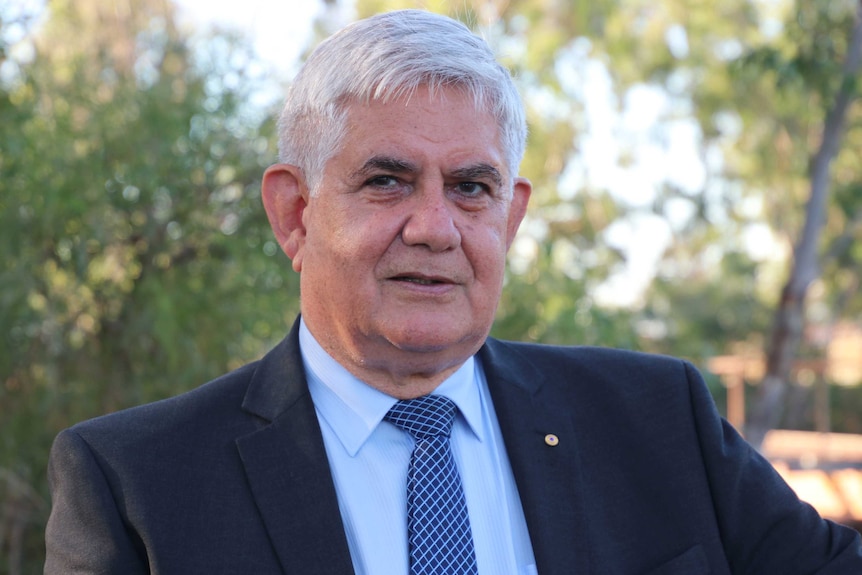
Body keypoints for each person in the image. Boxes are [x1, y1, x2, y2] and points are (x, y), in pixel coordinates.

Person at [44, 9, 862, 575]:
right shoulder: (138, 484)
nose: (434, 226)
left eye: (471, 187)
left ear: (509, 219)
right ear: (294, 213)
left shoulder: (657, 420)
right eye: (387, 181)